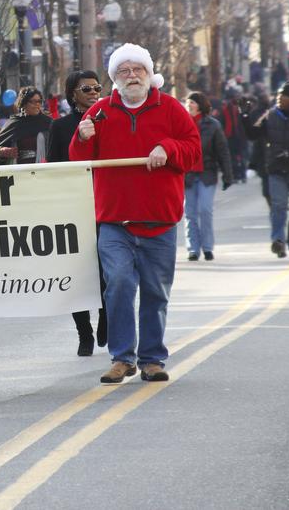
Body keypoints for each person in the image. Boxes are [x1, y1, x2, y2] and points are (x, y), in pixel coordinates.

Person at [70, 43, 200, 384]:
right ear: (115, 78)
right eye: (124, 71)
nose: (131, 76)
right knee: (119, 285)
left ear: (148, 73)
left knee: (156, 293)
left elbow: (193, 150)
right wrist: (81, 138)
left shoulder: (170, 109)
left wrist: (167, 148)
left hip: (159, 221)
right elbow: (77, 162)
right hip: (115, 222)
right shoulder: (99, 112)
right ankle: (122, 357)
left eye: (137, 69)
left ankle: (152, 358)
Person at [48, 70, 108, 356]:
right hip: (73, 207)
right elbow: (52, 171)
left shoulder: (111, 119)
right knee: (77, 273)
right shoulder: (60, 128)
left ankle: (107, 319)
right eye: (87, 89)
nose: (94, 93)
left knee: (109, 269)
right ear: (73, 93)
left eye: (97, 88)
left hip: (108, 204)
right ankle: (84, 332)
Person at [241, 81, 289, 259]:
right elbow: (253, 134)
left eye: (284, 96)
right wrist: (244, 116)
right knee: (278, 206)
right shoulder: (269, 115)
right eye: (278, 95)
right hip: (276, 169)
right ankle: (278, 241)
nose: (279, 99)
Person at [182, 92, 233, 262]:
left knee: (205, 210)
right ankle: (193, 249)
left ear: (200, 105)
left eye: (192, 103)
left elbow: (223, 151)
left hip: (207, 173)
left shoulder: (213, 125)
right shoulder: (180, 123)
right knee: (189, 212)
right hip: (187, 175)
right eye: (187, 102)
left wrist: (227, 174)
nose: (189, 105)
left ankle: (208, 247)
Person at [0, 86, 51, 165]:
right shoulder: (14, 123)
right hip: (20, 172)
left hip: (43, 171)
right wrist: (1, 151)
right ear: (24, 103)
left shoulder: (48, 123)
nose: (37, 105)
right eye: (33, 102)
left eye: (39, 101)